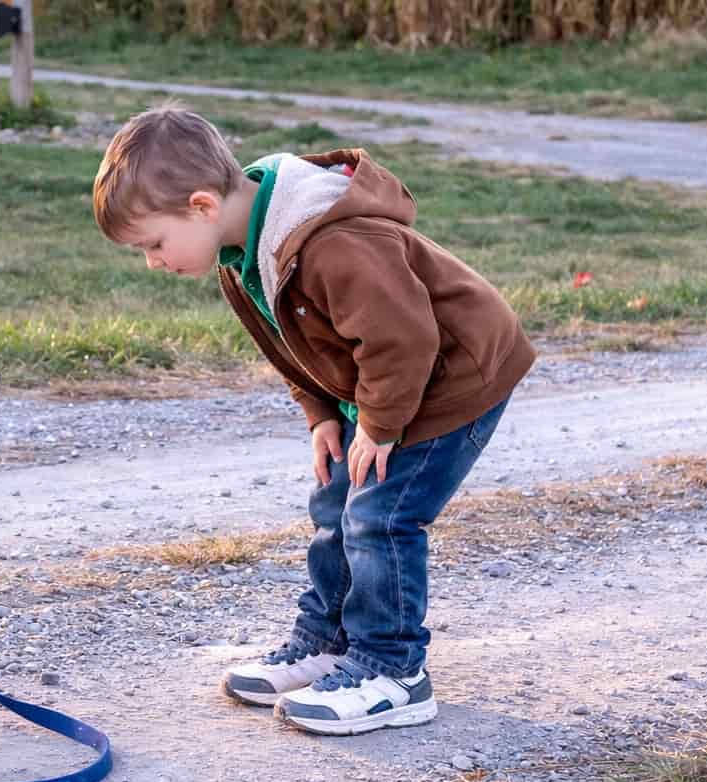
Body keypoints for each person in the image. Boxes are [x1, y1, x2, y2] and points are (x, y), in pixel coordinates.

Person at [92, 105, 535, 736]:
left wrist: (379, 427)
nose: (153, 262)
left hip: (453, 377)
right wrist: (323, 415)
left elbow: (403, 341)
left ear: (200, 205)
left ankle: (393, 669)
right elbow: (291, 342)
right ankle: (329, 641)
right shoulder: (242, 251)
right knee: (335, 501)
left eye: (153, 244)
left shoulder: (334, 241)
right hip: (384, 383)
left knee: (381, 513)